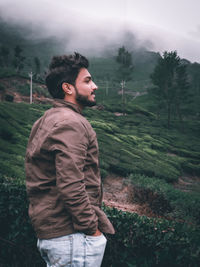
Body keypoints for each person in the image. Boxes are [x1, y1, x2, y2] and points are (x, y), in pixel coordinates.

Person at [25, 52, 115, 267]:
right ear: (68, 88)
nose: (95, 86)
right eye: (87, 80)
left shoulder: (46, 118)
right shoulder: (71, 122)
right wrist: (91, 229)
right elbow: (71, 184)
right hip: (72, 236)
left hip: (53, 233)